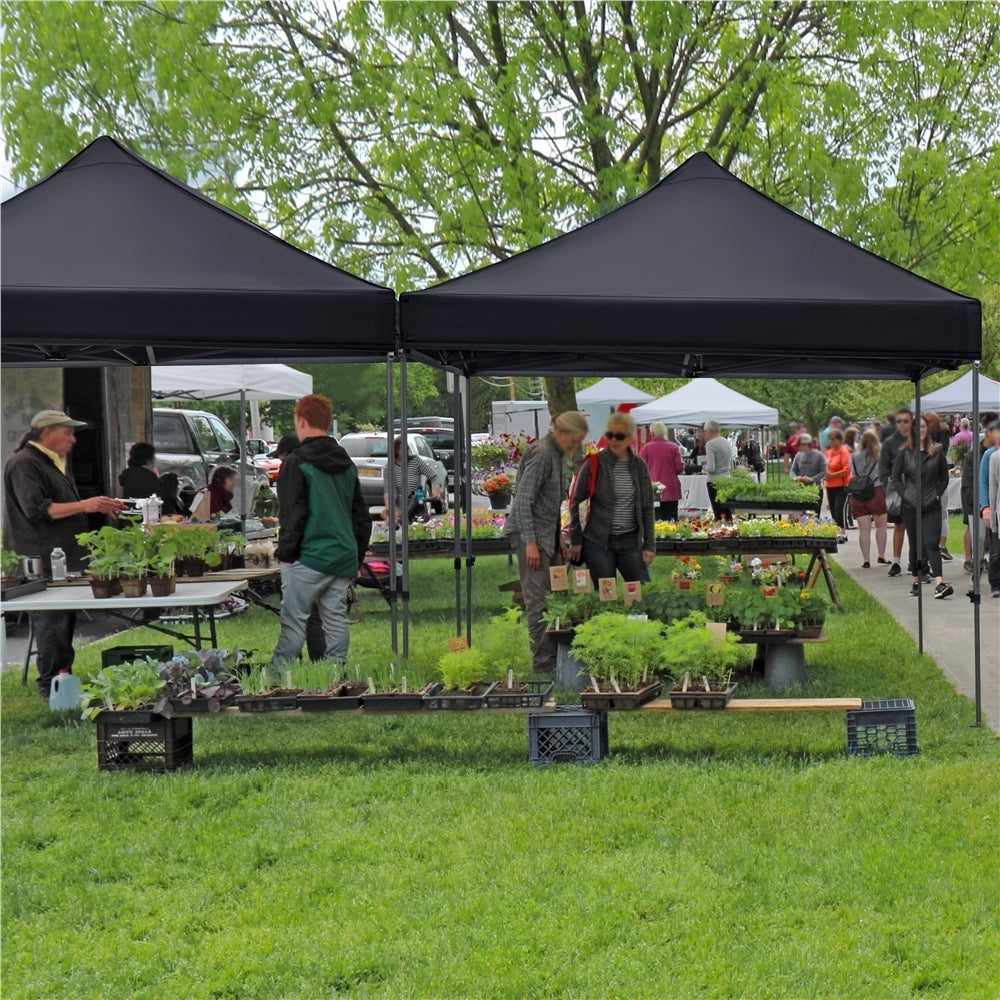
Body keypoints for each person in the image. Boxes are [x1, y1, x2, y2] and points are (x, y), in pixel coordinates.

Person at [2, 410, 126, 699]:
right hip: (40, 557)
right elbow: (38, 511)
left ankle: (62, 677)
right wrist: (86, 505)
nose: (73, 439)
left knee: (62, 621)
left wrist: (98, 506)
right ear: (47, 433)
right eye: (67, 432)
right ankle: (49, 685)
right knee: (51, 621)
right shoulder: (24, 464)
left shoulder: (50, 463)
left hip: (60, 557)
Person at [271, 394, 371, 667]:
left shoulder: (296, 462)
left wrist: (286, 553)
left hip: (311, 555)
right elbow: (361, 516)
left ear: (301, 421)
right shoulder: (347, 463)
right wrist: (356, 555)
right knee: (335, 617)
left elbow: (293, 514)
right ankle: (333, 673)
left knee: (294, 620)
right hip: (343, 555)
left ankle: (279, 677)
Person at [503, 411, 589, 675]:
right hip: (530, 536)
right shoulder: (541, 454)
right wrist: (530, 543)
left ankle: (556, 657)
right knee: (538, 599)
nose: (575, 446)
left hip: (545, 535)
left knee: (556, 596)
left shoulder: (555, 455)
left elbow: (547, 505)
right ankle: (543, 663)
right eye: (574, 440)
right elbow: (523, 502)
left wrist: (557, 539)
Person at [569, 412, 655, 588]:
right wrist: (576, 540)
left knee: (639, 593)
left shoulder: (639, 466)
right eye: (610, 435)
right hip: (598, 542)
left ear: (630, 437)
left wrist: (649, 546)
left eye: (620, 436)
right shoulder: (594, 464)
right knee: (605, 595)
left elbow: (647, 508)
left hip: (631, 542)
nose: (614, 440)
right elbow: (576, 503)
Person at [891, 413, 952, 599]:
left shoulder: (938, 451)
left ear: (928, 430)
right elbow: (895, 477)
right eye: (918, 427)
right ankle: (916, 581)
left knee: (932, 543)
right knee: (916, 544)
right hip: (910, 506)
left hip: (931, 504)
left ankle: (939, 583)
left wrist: (937, 494)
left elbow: (945, 477)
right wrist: (905, 495)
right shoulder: (905, 452)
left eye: (924, 427)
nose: (921, 430)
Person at [879, 407, 913, 578]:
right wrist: (889, 488)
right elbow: (883, 469)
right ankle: (896, 561)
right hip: (898, 490)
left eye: (906, 421)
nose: (902, 425)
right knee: (899, 526)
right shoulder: (889, 443)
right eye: (899, 421)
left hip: (916, 489)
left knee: (916, 527)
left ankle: (915, 562)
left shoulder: (919, 439)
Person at [849, 430, 888, 568]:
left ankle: (866, 559)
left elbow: (852, 473)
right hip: (876, 490)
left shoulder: (854, 457)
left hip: (859, 493)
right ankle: (881, 555)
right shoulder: (880, 456)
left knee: (864, 529)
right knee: (881, 526)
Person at [382, 436, 441, 523]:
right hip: (400, 509)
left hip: (416, 505)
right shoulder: (389, 468)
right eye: (400, 449)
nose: (403, 451)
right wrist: (389, 507)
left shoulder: (415, 461)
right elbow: (389, 491)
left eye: (405, 448)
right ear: (395, 451)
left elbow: (434, 476)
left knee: (418, 530)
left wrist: (436, 489)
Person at [638, 421, 683, 521]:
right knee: (672, 519)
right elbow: (679, 468)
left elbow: (640, 470)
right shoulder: (673, 447)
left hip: (653, 489)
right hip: (671, 489)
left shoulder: (646, 449)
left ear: (652, 433)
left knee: (656, 521)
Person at [978, 418, 1000, 595]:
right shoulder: (990, 455)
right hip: (995, 509)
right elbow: (984, 483)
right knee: (996, 551)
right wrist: (986, 507)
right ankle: (995, 583)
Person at [703, 419, 732, 520]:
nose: (705, 434)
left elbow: (711, 468)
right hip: (727, 479)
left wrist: (704, 467)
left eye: (706, 431)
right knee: (727, 509)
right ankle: (730, 529)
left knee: (718, 511)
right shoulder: (727, 442)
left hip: (714, 481)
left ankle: (720, 530)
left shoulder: (710, 444)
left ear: (710, 430)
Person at [823, 428, 852, 529]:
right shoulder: (828, 452)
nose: (831, 441)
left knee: (839, 510)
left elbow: (847, 470)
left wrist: (832, 475)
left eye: (833, 439)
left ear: (840, 440)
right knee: (833, 511)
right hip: (829, 485)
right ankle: (836, 531)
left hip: (841, 486)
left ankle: (842, 531)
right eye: (830, 439)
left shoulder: (844, 452)